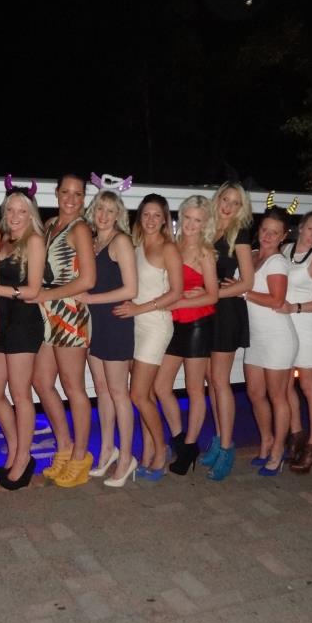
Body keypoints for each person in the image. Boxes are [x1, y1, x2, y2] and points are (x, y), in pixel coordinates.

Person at [32, 173, 97, 488]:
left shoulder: (80, 228)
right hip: (47, 314)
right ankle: (65, 446)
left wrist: (46, 295)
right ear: (56, 193)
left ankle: (81, 456)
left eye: (78, 194)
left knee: (74, 388)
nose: (71, 198)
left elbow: (88, 280)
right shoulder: (48, 225)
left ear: (84, 198)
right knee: (42, 382)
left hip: (70, 313)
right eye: (66, 192)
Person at [112, 194, 183, 481]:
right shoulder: (136, 245)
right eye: (146, 214)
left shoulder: (168, 248)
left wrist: (139, 308)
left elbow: (175, 293)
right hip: (135, 324)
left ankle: (162, 450)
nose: (151, 220)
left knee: (138, 394)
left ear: (165, 218)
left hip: (155, 324)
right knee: (147, 395)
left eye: (157, 215)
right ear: (140, 216)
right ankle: (149, 450)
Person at [0, 180, 45, 490]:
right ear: (5, 212)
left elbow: (33, 290)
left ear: (30, 212)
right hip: (2, 321)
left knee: (21, 394)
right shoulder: (3, 239)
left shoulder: (33, 240)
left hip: (24, 321)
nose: (17, 215)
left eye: (23, 210)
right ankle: (16, 444)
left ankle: (23, 457)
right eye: (11, 209)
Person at [153, 195, 218, 476]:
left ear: (205, 224)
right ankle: (181, 437)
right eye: (188, 218)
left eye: (198, 220)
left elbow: (213, 294)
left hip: (197, 325)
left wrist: (179, 301)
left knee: (194, 389)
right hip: (174, 324)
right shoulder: (173, 246)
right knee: (160, 386)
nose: (191, 224)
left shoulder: (204, 252)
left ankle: (190, 443)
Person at [79, 188, 139, 486]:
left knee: (119, 393)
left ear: (119, 216)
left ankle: (127, 457)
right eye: (99, 209)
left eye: (110, 211)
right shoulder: (92, 241)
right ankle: (107, 449)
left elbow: (131, 290)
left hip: (116, 322)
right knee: (101, 389)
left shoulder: (121, 241)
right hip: (96, 322)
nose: (103, 216)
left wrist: (91, 299)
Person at [200, 182, 254, 482]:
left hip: (226, 311)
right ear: (217, 199)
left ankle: (228, 446)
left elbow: (247, 282)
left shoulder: (239, 234)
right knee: (211, 379)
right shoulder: (207, 228)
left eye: (235, 202)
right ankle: (218, 439)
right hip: (206, 309)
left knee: (220, 381)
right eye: (225, 199)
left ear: (241, 207)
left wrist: (209, 295)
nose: (228, 206)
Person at [277, 208, 312, 474]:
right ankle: (296, 434)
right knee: (285, 385)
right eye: (311, 229)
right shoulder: (284, 249)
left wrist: (296, 307)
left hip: (308, 327)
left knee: (310, 387)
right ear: (301, 227)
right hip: (284, 328)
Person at [243, 207, 298, 477]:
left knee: (278, 396)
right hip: (255, 337)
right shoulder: (252, 256)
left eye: (274, 232)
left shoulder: (277, 262)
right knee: (254, 393)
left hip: (277, 337)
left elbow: (277, 300)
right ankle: (265, 440)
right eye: (265, 229)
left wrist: (245, 291)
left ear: (283, 236)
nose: (267, 235)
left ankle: (278, 450)